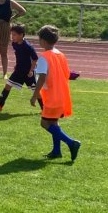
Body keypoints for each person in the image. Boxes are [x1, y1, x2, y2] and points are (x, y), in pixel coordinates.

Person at [31, 25, 81, 161]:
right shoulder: (60, 55)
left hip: (52, 96)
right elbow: (66, 74)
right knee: (53, 123)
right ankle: (56, 151)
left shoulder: (44, 57)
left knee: (44, 123)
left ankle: (72, 143)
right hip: (62, 94)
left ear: (43, 41)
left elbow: (41, 78)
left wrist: (35, 95)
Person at [0, 23, 38, 112]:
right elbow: (19, 56)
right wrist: (17, 64)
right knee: (8, 85)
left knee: (35, 90)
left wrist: (31, 70)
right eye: (11, 34)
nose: (12, 37)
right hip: (19, 71)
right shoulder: (14, 44)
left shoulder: (28, 46)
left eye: (14, 35)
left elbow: (35, 59)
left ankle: (45, 108)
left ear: (21, 35)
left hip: (28, 72)